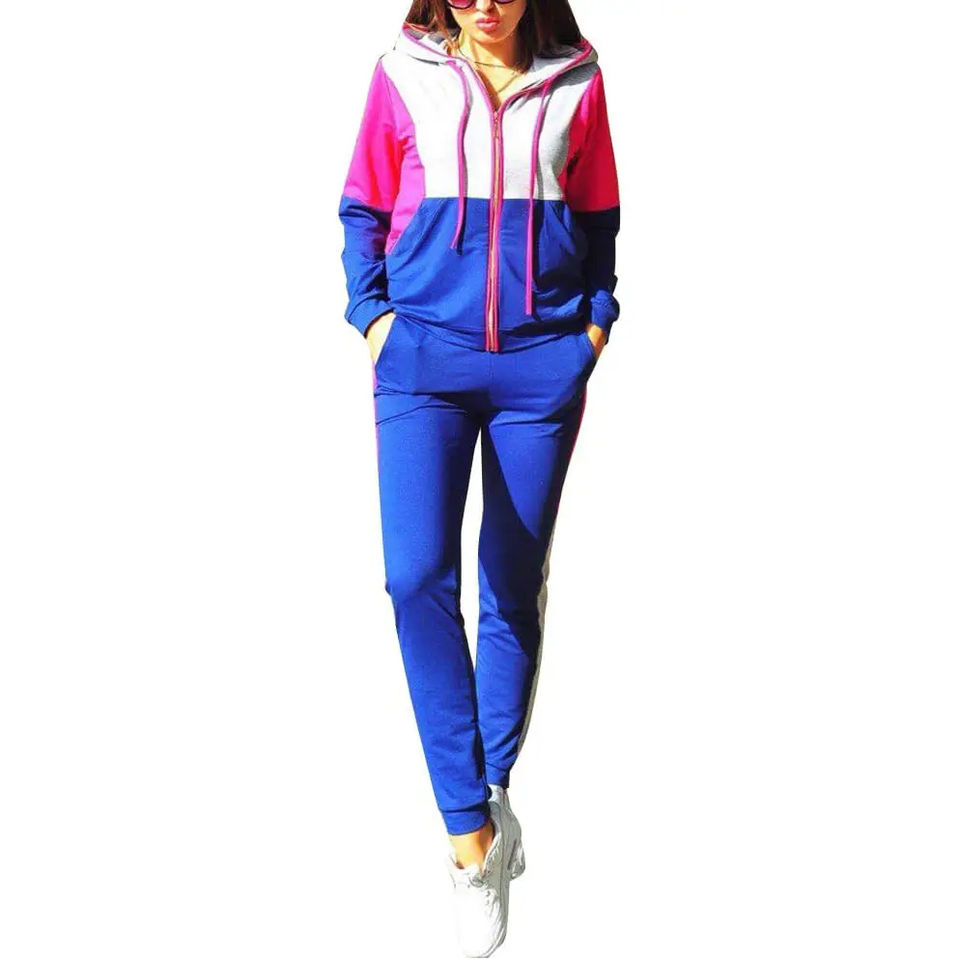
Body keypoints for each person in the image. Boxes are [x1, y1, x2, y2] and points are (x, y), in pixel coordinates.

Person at [338, 0, 619, 953]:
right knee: (414, 575)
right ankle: (469, 838)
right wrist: (374, 317)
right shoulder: (402, 72)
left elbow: (601, 216)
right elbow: (362, 203)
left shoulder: (578, 81)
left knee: (512, 581)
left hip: (542, 363)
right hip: (422, 358)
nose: (483, 5)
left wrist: (592, 327)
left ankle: (491, 797)